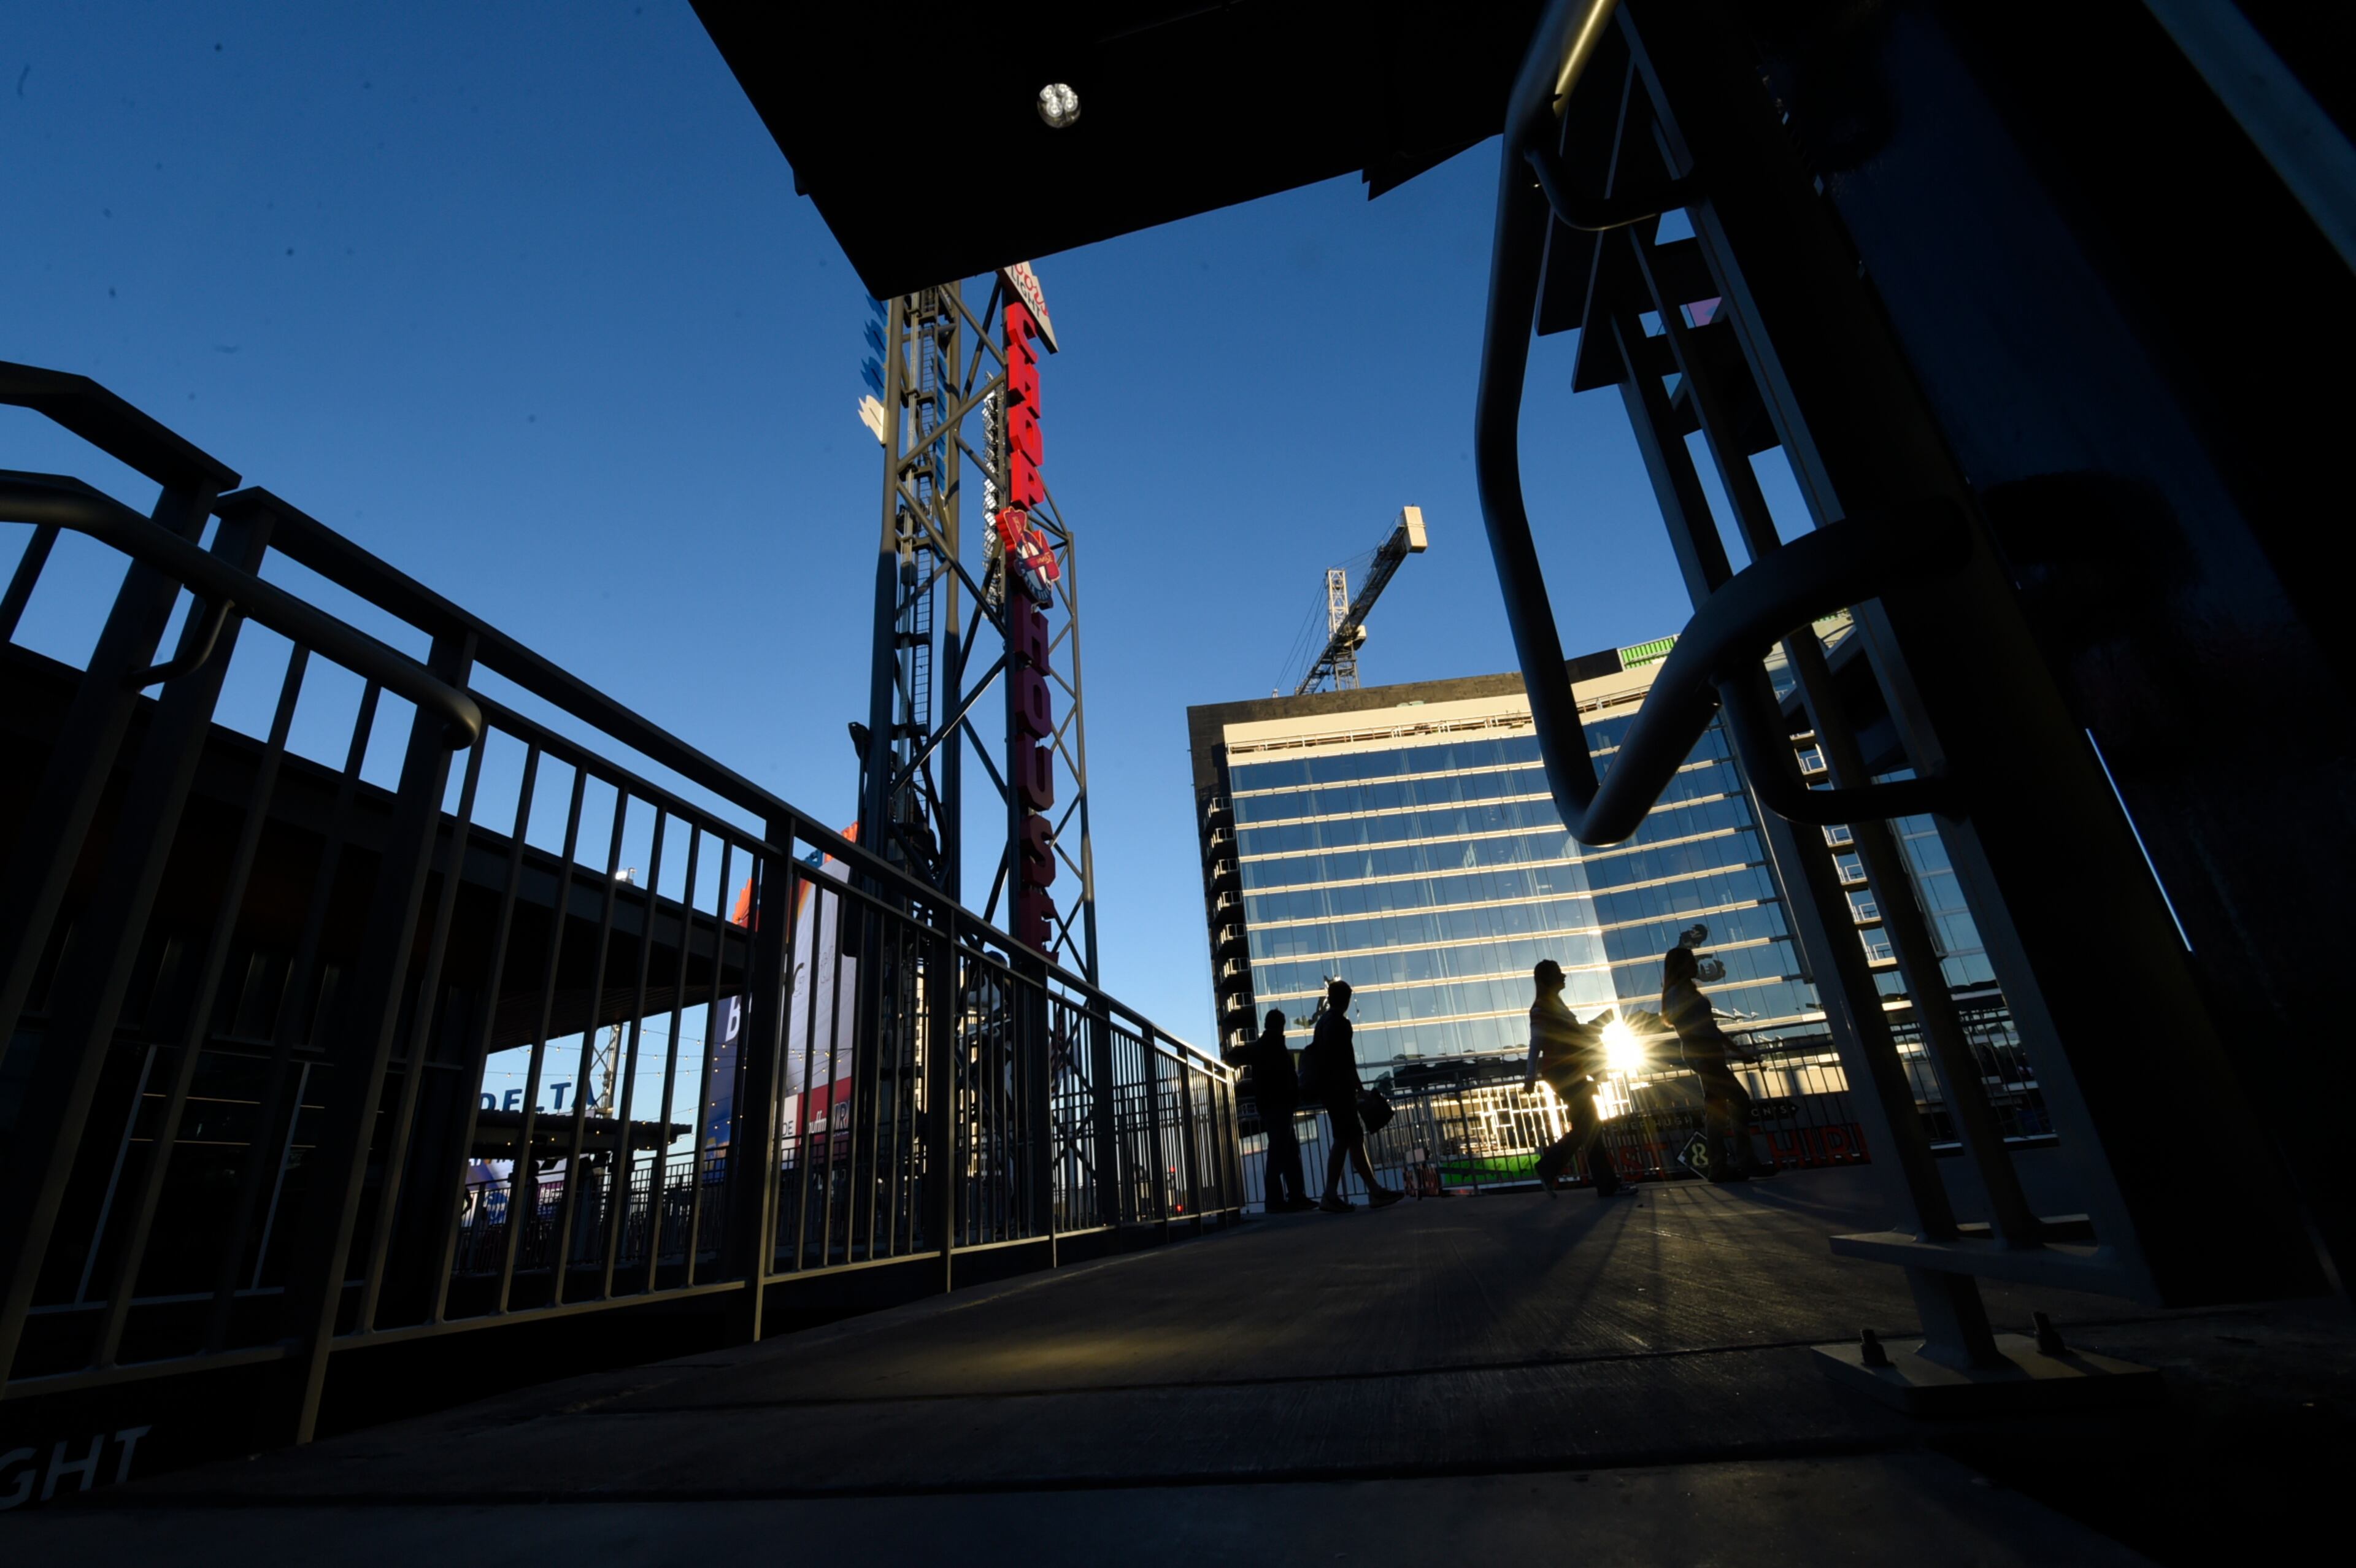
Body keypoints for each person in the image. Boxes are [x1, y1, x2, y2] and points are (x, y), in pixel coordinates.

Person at [1661, 945, 1773, 1180]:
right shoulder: (1678, 994)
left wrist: (1736, 1052)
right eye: (1691, 961)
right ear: (1681, 966)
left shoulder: (1685, 992)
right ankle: (1738, 1162)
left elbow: (1711, 1028)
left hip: (1706, 1053)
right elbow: (1690, 1030)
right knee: (1739, 1101)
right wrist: (1708, 1056)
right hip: (1704, 1054)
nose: (1695, 965)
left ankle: (1722, 1166)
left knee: (1717, 1108)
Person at [1522, 959, 1631, 1199]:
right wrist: (1529, 1077)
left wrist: (1596, 1025)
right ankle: (1556, 1169)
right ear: (1547, 979)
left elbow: (1575, 1035)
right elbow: (1536, 1044)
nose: (1564, 976)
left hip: (1569, 1071)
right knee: (1590, 1125)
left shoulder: (1554, 1005)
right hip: (1564, 1073)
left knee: (1588, 1126)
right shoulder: (1541, 1008)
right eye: (1559, 973)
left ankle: (1601, 1183)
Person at [1302, 980, 1402, 1213]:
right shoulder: (1341, 1023)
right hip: (1340, 1090)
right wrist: (1357, 1087)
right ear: (1346, 1000)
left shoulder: (1323, 1023)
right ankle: (1342, 1194)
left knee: (1350, 1138)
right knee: (1348, 1138)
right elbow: (1345, 1059)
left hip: (1329, 1090)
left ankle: (1365, 1191)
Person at [1225, 1008, 1312, 1212]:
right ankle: (1284, 1199)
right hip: (1279, 1105)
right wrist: (1294, 1095)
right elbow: (1283, 1076)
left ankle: (1286, 1198)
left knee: (1285, 1151)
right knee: (1282, 1152)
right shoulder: (1273, 1046)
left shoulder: (1262, 1046)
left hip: (1272, 1105)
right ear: (1280, 1026)